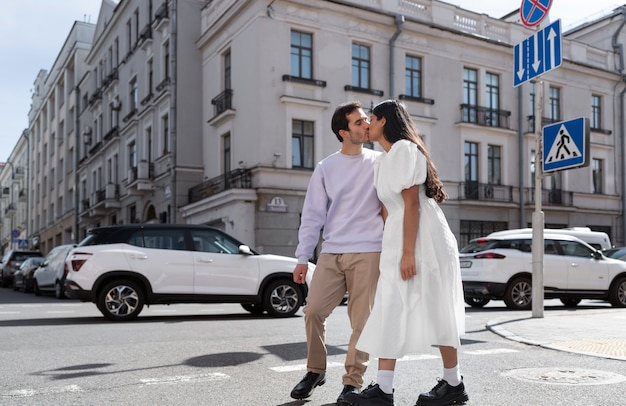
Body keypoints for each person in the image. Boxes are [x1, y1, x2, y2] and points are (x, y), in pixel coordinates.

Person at [343, 100, 468, 406]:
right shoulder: (382, 162)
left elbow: (412, 204)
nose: (367, 124)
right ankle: (384, 388)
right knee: (390, 305)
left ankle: (453, 383)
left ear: (384, 121)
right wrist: (392, 250)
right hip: (400, 238)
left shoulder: (405, 151)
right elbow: (389, 211)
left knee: (436, 306)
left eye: (371, 118)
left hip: (424, 238)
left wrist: (408, 253)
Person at [290, 101, 384, 405]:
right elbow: (312, 215)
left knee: (361, 321)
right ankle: (316, 370)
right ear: (343, 132)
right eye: (358, 123)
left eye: (366, 121)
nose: (366, 125)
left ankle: (352, 382)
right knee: (313, 310)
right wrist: (303, 257)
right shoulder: (326, 167)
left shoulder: (379, 161)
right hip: (331, 252)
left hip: (369, 250)